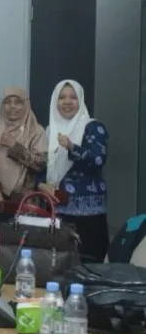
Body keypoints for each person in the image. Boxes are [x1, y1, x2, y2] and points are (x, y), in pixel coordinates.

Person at [44, 79, 109, 262]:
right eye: (62, 97)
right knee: (58, 266)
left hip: (89, 215)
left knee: (89, 265)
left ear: (80, 100)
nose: (67, 102)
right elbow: (41, 165)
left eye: (73, 97)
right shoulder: (50, 131)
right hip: (58, 211)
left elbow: (98, 159)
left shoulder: (93, 127)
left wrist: (72, 147)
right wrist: (42, 184)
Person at [0, 88, 48, 231]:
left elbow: (41, 164)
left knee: (21, 243)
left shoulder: (36, 131)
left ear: (26, 104)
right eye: (8, 102)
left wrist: (15, 147)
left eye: (18, 102)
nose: (12, 106)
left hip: (25, 204)